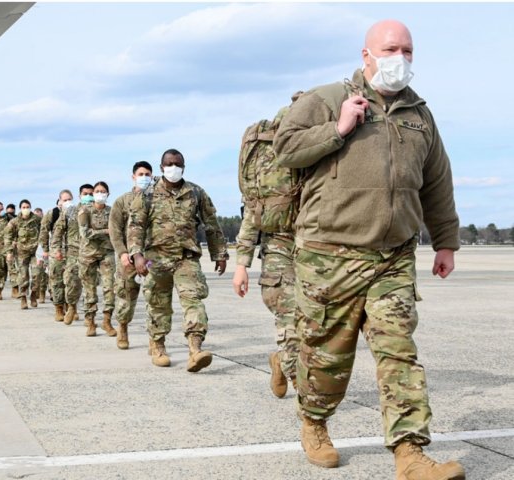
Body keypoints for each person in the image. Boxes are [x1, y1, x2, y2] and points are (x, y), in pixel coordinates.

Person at [272, 20, 464, 479]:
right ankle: (314, 422)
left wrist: (446, 241)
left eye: (408, 50)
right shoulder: (325, 99)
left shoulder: (420, 115)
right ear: (366, 55)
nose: (401, 57)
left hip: (393, 257)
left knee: (399, 352)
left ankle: (410, 453)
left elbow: (436, 181)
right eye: (391, 48)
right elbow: (284, 147)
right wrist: (337, 130)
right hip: (330, 255)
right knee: (327, 357)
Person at [128, 149, 229, 372]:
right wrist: (137, 255)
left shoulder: (195, 192)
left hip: (186, 257)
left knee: (193, 300)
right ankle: (158, 345)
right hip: (156, 258)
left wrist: (219, 253)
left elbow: (211, 223)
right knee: (158, 304)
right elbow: (136, 226)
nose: (174, 167)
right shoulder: (147, 194)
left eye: (178, 164)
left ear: (184, 166)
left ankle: (195, 349)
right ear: (162, 166)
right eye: (170, 164)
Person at [232, 194, 298, 398]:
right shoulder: (262, 165)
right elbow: (253, 212)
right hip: (280, 246)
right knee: (290, 315)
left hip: (322, 248)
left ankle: (280, 359)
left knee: (321, 325)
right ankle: (302, 389)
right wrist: (241, 264)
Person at [108, 161, 153, 349]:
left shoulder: (156, 199)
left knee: (155, 299)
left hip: (151, 256)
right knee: (126, 297)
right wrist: (122, 253)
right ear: (133, 176)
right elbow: (115, 230)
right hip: (128, 258)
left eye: (148, 174)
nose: (144, 177)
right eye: (141, 174)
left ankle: (155, 338)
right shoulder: (122, 201)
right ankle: (123, 328)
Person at [77, 181, 116, 337]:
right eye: (97, 191)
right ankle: (91, 322)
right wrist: (106, 231)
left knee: (109, 287)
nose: (100, 193)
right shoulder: (84, 211)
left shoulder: (112, 211)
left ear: (108, 194)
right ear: (93, 194)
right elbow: (85, 233)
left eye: (103, 191)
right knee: (89, 290)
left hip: (107, 253)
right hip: (88, 254)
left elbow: (117, 231)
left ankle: (107, 321)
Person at [51, 185, 91, 326]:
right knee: (72, 284)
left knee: (90, 287)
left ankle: (89, 317)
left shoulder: (100, 211)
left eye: (91, 194)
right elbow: (58, 231)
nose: (89, 196)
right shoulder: (71, 211)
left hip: (93, 254)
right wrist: (56, 249)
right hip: (73, 253)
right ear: (80, 196)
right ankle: (71, 307)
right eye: (85, 194)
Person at [40, 190, 73, 321]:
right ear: (59, 200)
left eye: (70, 199)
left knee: (71, 281)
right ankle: (59, 308)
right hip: (56, 252)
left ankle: (70, 307)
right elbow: (43, 231)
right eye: (65, 200)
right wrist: (46, 249)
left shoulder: (75, 213)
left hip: (71, 251)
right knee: (57, 281)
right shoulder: (52, 213)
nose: (67, 202)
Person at [4, 199, 41, 310]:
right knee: (23, 276)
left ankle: (34, 294)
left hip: (35, 252)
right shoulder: (15, 221)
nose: (26, 209)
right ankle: (23, 297)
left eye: (28, 207)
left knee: (37, 274)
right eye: (24, 207)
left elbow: (44, 232)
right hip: (21, 252)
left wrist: (44, 249)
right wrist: (9, 252)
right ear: (20, 209)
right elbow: (7, 236)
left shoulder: (37, 220)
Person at [32, 207, 49, 303]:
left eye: (39, 214)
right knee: (37, 274)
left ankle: (42, 292)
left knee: (45, 274)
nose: (37, 216)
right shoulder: (32, 225)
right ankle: (36, 291)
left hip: (45, 250)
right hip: (34, 252)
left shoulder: (46, 224)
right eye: (35, 214)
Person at [3, 203, 20, 298]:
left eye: (11, 212)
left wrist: (15, 241)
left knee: (13, 268)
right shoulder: (2, 220)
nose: (9, 214)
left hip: (14, 248)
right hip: (2, 248)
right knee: (1, 270)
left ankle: (15, 289)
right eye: (8, 212)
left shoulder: (17, 220)